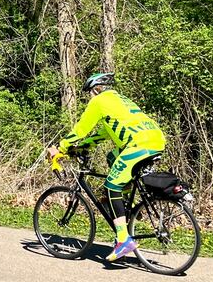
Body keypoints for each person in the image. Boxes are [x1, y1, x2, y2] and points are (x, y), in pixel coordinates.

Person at [47, 72, 166, 262]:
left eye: (89, 93)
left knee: (111, 186)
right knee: (113, 157)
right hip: (156, 140)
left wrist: (61, 148)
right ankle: (127, 206)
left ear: (95, 89)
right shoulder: (119, 100)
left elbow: (80, 130)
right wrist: (80, 148)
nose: (89, 98)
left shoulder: (99, 101)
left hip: (139, 144)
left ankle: (123, 240)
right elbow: (103, 134)